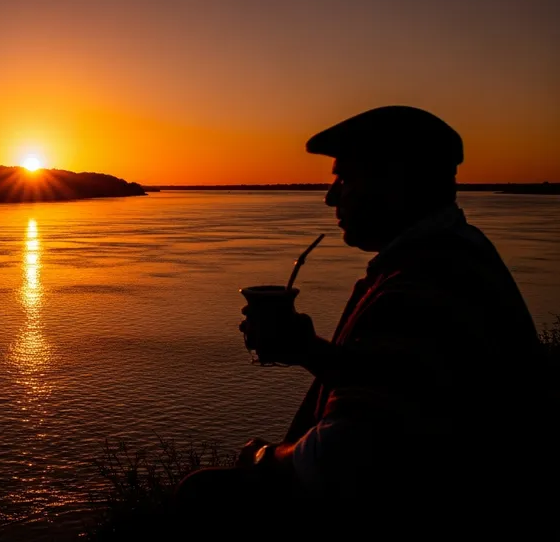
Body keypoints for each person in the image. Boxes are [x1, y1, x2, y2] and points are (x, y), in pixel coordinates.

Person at [176, 106, 553, 532]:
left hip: (448, 505)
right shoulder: (451, 254)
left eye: (345, 178)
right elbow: (404, 384)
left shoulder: (423, 283)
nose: (331, 196)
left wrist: (265, 458)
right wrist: (309, 351)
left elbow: (344, 458)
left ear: (395, 182)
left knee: (201, 495)